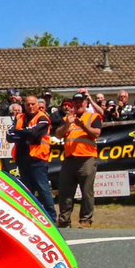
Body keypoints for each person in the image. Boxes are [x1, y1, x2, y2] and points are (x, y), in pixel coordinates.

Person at [54, 92, 101, 229]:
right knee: (65, 192)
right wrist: (67, 125)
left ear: (86, 103)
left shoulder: (92, 117)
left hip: (86, 159)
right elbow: (58, 134)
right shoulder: (68, 118)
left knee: (86, 192)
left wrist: (83, 126)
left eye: (81, 102)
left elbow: (97, 133)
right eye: (76, 102)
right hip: (69, 160)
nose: (78, 104)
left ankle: (85, 221)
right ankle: (64, 220)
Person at [7, 95, 55, 218]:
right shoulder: (19, 117)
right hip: (22, 159)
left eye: (33, 104)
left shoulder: (43, 118)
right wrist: (25, 133)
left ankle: (51, 217)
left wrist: (20, 133)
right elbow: (9, 136)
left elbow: (34, 133)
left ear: (38, 105)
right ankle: (29, 217)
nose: (30, 106)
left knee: (43, 189)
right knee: (27, 191)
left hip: (38, 160)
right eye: (28, 104)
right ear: (24, 105)